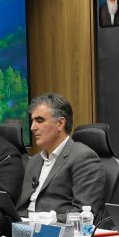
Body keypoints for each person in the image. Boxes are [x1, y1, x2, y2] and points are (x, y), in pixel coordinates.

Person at [16, 93, 106, 222]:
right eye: (32, 121)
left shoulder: (84, 158)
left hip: (54, 231)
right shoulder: (33, 161)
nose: (32, 127)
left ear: (60, 123)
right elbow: (21, 208)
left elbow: (83, 213)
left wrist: (43, 221)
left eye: (40, 120)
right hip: (23, 228)